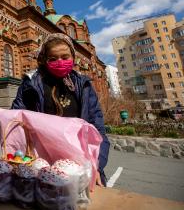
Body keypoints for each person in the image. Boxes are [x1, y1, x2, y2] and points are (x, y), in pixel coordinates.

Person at [11, 33, 110, 187]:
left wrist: (96, 165)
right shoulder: (31, 84)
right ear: (44, 59)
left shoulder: (83, 85)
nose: (60, 62)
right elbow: (16, 120)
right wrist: (18, 158)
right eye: (53, 58)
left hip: (81, 164)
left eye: (65, 57)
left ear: (73, 57)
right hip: (42, 163)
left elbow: (97, 129)